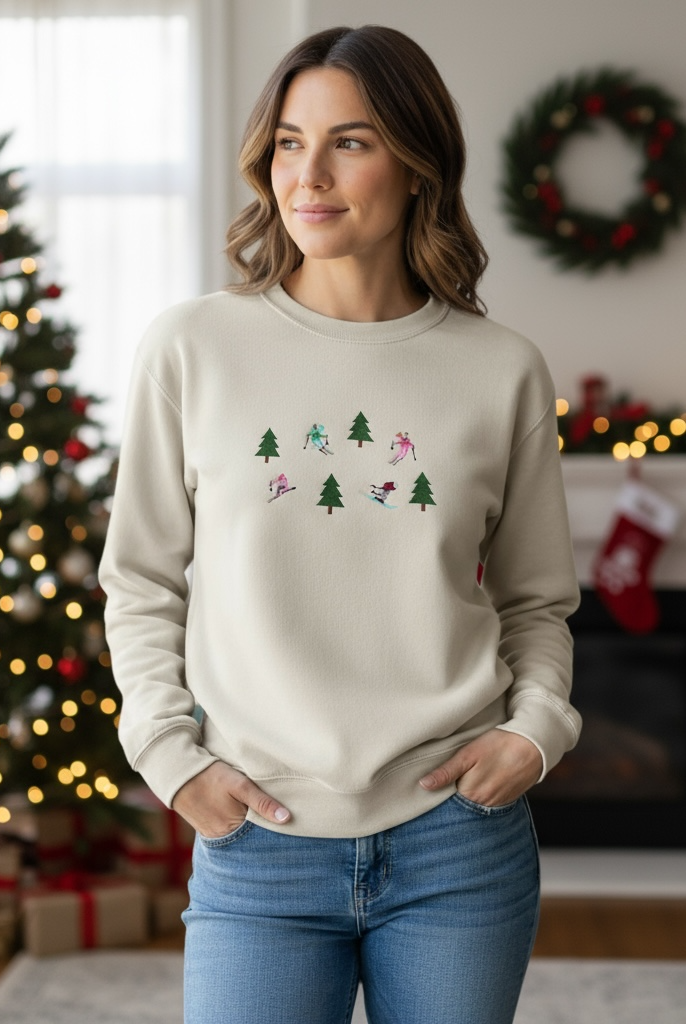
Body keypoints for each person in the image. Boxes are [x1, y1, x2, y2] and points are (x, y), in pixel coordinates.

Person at [98, 24, 581, 1024]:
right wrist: (170, 758)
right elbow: (141, 579)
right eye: (288, 142)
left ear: (416, 163)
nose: (307, 174)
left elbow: (535, 600)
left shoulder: (501, 369)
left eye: (348, 142)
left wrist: (534, 732)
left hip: (457, 842)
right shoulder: (192, 347)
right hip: (257, 841)